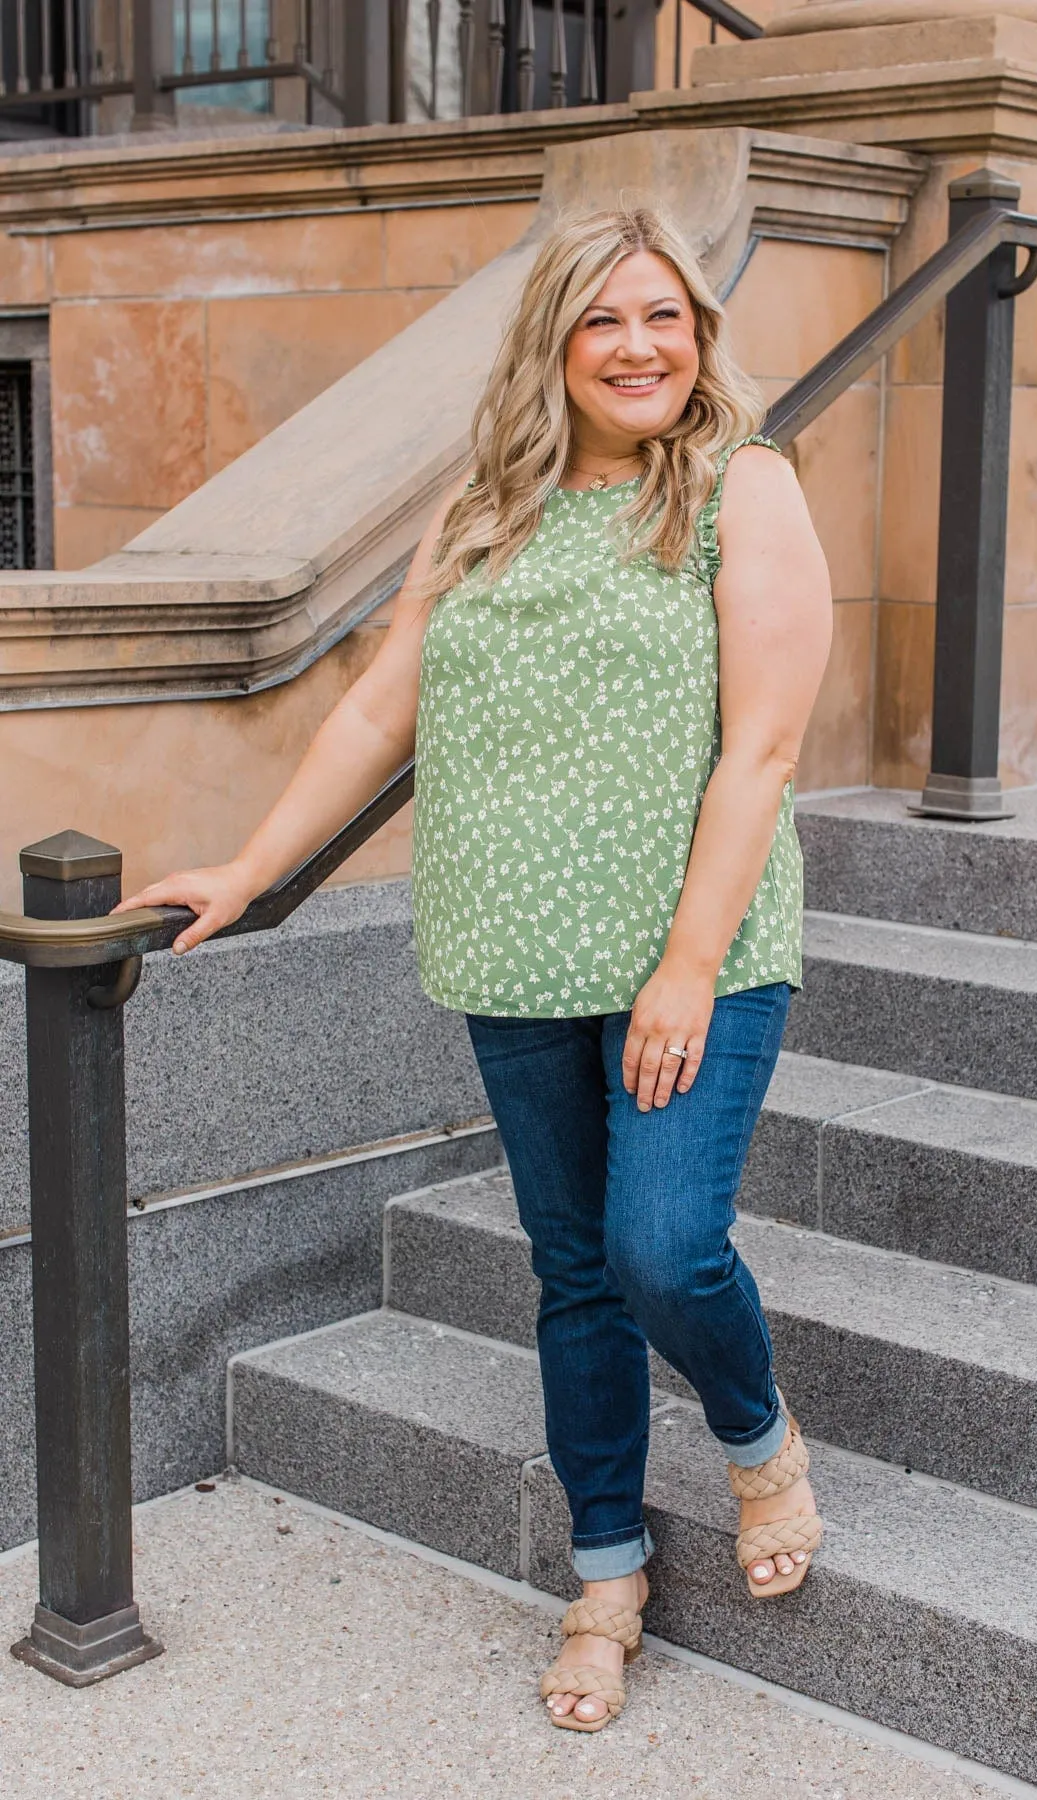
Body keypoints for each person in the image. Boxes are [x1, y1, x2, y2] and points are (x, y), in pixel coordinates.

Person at [116, 202, 833, 1734]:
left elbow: (764, 744)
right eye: (603, 320)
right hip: (515, 950)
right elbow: (383, 710)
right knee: (573, 1273)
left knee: (662, 1247)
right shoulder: (485, 508)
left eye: (664, 316)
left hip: (689, 954)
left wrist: (689, 963)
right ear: (554, 345)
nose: (638, 347)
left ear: (700, 336)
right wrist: (251, 872)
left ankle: (757, 1433)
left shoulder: (738, 490)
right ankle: (607, 1575)